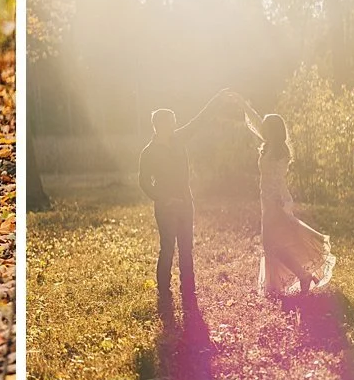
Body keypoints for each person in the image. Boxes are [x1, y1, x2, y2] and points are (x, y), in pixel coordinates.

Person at [231, 93, 335, 297]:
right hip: (267, 201)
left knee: (271, 245)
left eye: (267, 129)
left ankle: (304, 275)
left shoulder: (280, 151)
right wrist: (244, 103)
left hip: (275, 201)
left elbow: (278, 180)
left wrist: (281, 202)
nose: (263, 132)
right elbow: (256, 123)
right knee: (277, 243)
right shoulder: (271, 145)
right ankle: (305, 274)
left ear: (274, 132)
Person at [138, 91, 231, 305]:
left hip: (186, 204)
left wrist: (217, 99)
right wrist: (162, 198)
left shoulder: (179, 139)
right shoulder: (149, 152)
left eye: (174, 122)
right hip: (165, 208)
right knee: (168, 247)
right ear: (159, 125)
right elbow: (144, 182)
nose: (174, 125)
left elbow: (198, 121)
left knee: (186, 248)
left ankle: (189, 291)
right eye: (170, 122)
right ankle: (164, 291)